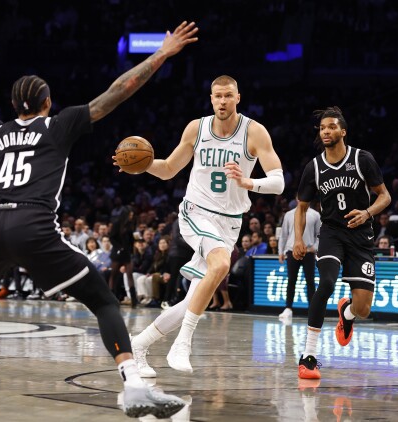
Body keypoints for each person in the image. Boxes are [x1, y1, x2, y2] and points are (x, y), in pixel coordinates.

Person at [0, 20, 198, 418]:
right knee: (103, 300)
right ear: (47, 103)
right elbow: (116, 92)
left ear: (13, 106)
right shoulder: (57, 126)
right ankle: (134, 386)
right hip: (33, 227)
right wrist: (161, 53)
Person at [121, 74, 284, 375]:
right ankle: (183, 344)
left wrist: (248, 182)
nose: (222, 101)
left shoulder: (254, 132)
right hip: (196, 212)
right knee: (221, 264)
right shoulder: (197, 128)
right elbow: (168, 169)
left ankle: (138, 345)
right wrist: (142, 165)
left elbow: (278, 182)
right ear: (211, 99)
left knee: (191, 302)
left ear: (238, 98)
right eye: (217, 96)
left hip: (229, 223)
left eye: (228, 95)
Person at [293, 106, 391, 379]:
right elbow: (301, 208)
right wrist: (298, 239)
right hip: (332, 233)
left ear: (343, 131)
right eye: (323, 128)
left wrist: (367, 212)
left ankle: (347, 313)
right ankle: (308, 357)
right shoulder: (314, 167)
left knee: (363, 309)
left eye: (332, 127)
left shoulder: (362, 159)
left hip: (361, 236)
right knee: (326, 283)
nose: (326, 131)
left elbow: (385, 196)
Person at [278, 201, 321, 320]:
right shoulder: (289, 214)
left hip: (308, 251)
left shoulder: (315, 215)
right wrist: (281, 251)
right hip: (292, 250)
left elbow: (319, 234)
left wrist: (315, 248)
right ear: (297, 199)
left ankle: (312, 309)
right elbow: (283, 234)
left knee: (310, 281)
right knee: (291, 280)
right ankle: (288, 308)